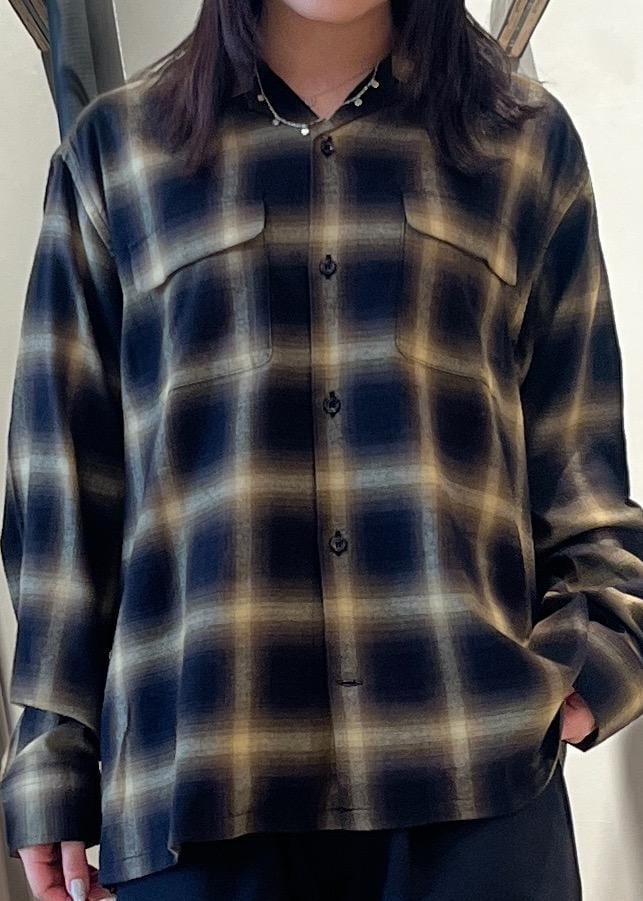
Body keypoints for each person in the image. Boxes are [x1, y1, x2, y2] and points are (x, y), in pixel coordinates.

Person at [1, 1, 642, 899]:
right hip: (200, 786)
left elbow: (579, 458)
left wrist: (600, 659)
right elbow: (64, 481)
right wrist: (52, 748)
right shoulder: (117, 151)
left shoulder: (523, 145)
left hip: (476, 784)